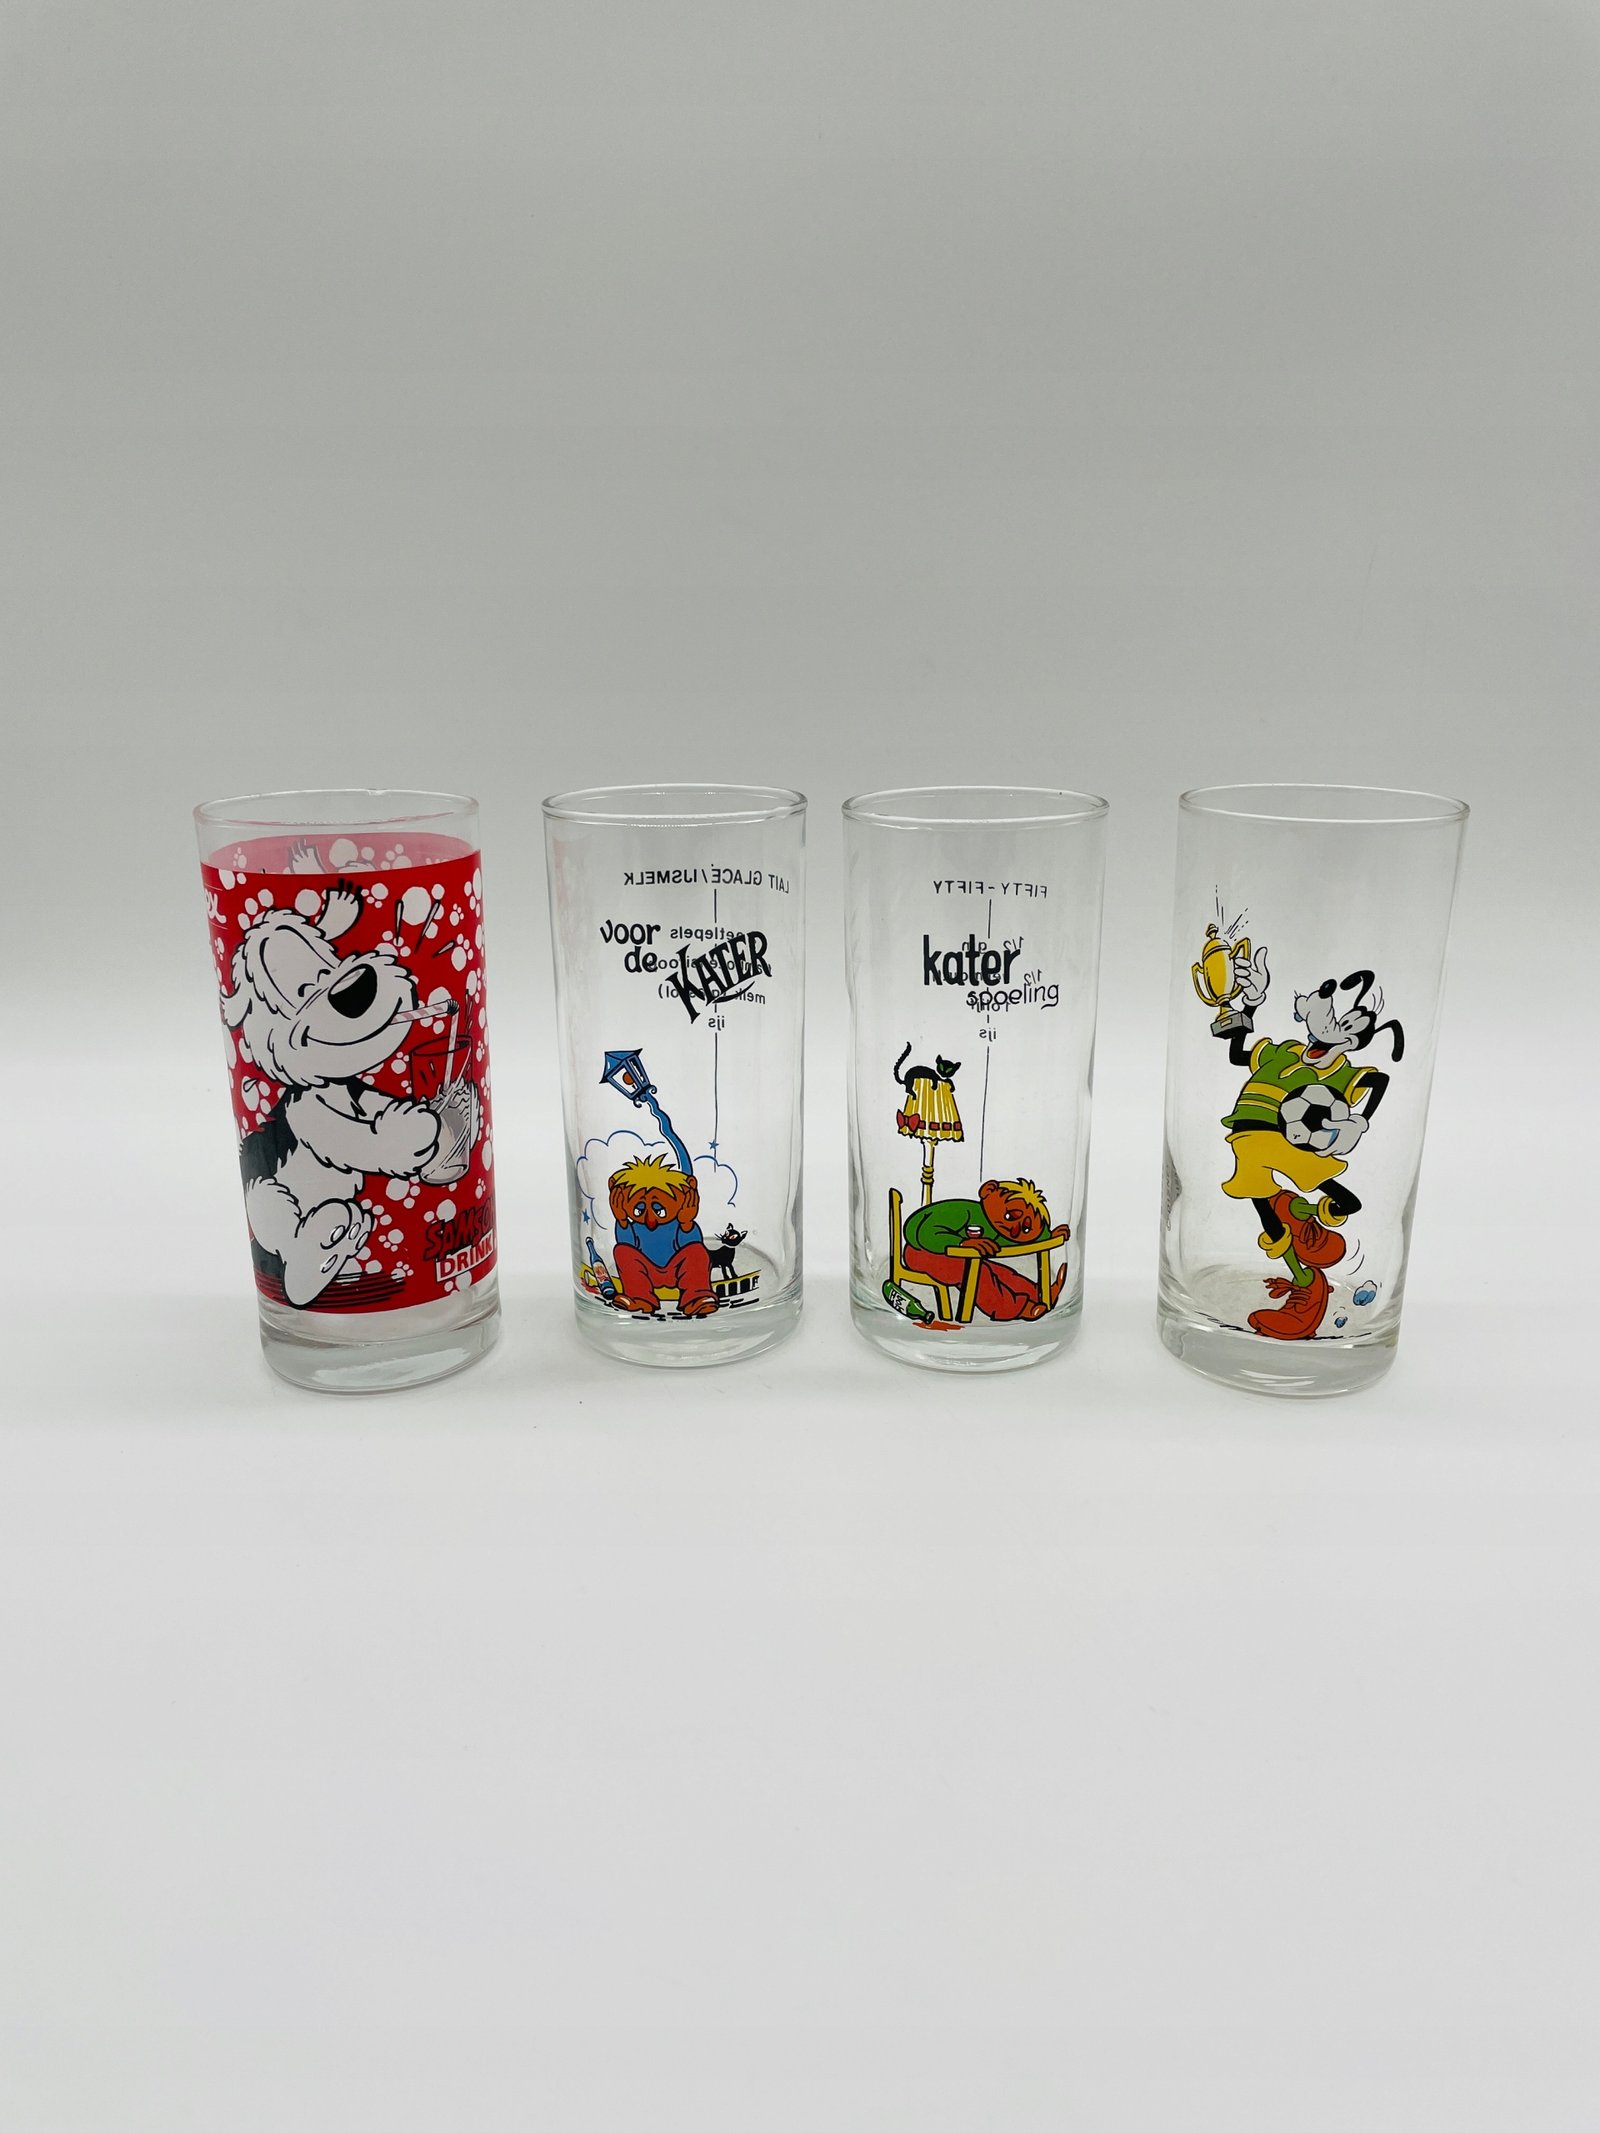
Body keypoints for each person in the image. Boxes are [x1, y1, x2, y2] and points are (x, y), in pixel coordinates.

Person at [901, 1178, 1065, 1322]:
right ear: (988, 1190)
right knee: (980, 1274)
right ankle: (1014, 1308)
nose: (1014, 1229)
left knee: (1002, 1273)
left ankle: (1040, 1294)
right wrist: (961, 1243)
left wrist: (1049, 1236)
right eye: (1011, 1216)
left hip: (959, 1259)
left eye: (1025, 1228)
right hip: (922, 1254)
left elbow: (1025, 1238)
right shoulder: (963, 1212)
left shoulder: (999, 1230)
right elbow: (925, 1232)